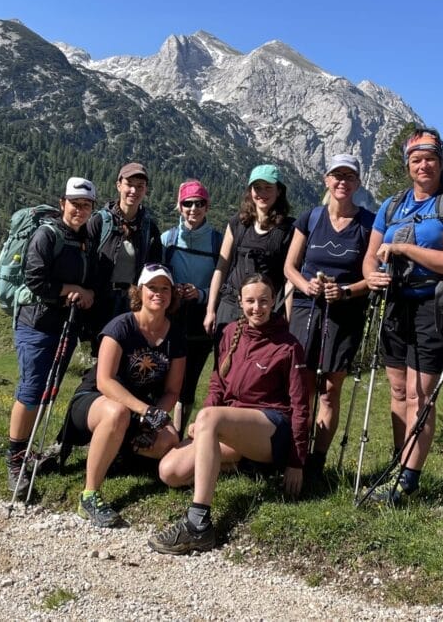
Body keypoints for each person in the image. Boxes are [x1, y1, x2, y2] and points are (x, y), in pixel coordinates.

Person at [151, 274, 309, 554]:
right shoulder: (229, 333)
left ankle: (198, 523)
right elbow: (217, 383)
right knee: (169, 472)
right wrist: (205, 419)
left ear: (274, 301)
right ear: (240, 302)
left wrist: (296, 461)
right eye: (250, 301)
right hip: (230, 426)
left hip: (271, 428)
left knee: (211, 418)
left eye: (263, 301)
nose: (256, 308)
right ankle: (235, 464)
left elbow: (300, 407)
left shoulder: (289, 345)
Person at [362, 127, 443, 504]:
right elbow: (371, 254)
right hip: (395, 303)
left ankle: (408, 479)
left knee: (419, 395)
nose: (423, 165)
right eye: (416, 160)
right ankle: (399, 463)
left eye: (430, 159)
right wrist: (370, 275)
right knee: (397, 390)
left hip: (433, 305)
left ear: (441, 163)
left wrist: (406, 250)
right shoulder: (392, 205)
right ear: (407, 165)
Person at [62, 264, 185, 528]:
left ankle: (118, 454)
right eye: (152, 287)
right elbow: (104, 381)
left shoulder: (175, 335)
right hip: (95, 400)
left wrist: (155, 416)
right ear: (140, 291)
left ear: (172, 295)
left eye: (165, 289)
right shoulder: (121, 326)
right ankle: (90, 494)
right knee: (116, 413)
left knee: (168, 439)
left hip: (139, 410)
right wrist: (144, 411)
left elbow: (172, 391)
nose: (158, 294)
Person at [283, 154, 375, 476]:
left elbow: (372, 277)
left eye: (349, 177)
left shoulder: (368, 223)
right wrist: (306, 285)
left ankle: (316, 463)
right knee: (303, 385)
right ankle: (294, 452)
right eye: (337, 175)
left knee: (330, 390)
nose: (342, 182)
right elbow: (290, 267)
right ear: (326, 179)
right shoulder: (310, 218)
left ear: (357, 183)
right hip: (307, 309)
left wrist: (346, 290)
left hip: (344, 313)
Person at [6, 177, 98, 495]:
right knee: (32, 390)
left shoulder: (84, 240)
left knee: (48, 390)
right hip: (36, 325)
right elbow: (35, 279)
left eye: (86, 205)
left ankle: (28, 452)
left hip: (64, 327)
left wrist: (87, 294)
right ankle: (16, 462)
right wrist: (70, 290)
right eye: (75, 204)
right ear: (63, 204)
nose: (80, 210)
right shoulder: (47, 235)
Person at [204, 164, 294, 355]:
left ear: (279, 191)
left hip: (264, 311)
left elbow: (289, 278)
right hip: (230, 306)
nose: (262, 193)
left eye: (268, 187)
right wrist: (211, 309)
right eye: (257, 188)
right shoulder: (237, 223)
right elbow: (221, 267)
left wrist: (287, 318)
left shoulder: (288, 229)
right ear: (250, 191)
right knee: (223, 366)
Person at [162, 179, 223, 432]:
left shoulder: (217, 242)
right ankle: (156, 434)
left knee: (189, 382)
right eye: (188, 203)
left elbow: (225, 283)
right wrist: (172, 290)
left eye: (200, 203)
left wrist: (200, 293)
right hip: (170, 316)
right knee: (162, 378)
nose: (193, 209)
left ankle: (176, 435)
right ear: (179, 206)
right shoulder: (168, 239)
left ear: (207, 207)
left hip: (201, 318)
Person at [86, 162, 163, 353]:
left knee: (127, 353)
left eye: (140, 186)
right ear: (118, 185)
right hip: (101, 302)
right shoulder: (99, 221)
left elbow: (155, 269)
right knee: (100, 355)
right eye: (129, 184)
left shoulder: (149, 228)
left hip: (132, 303)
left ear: (145, 190)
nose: (134, 190)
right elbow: (85, 261)